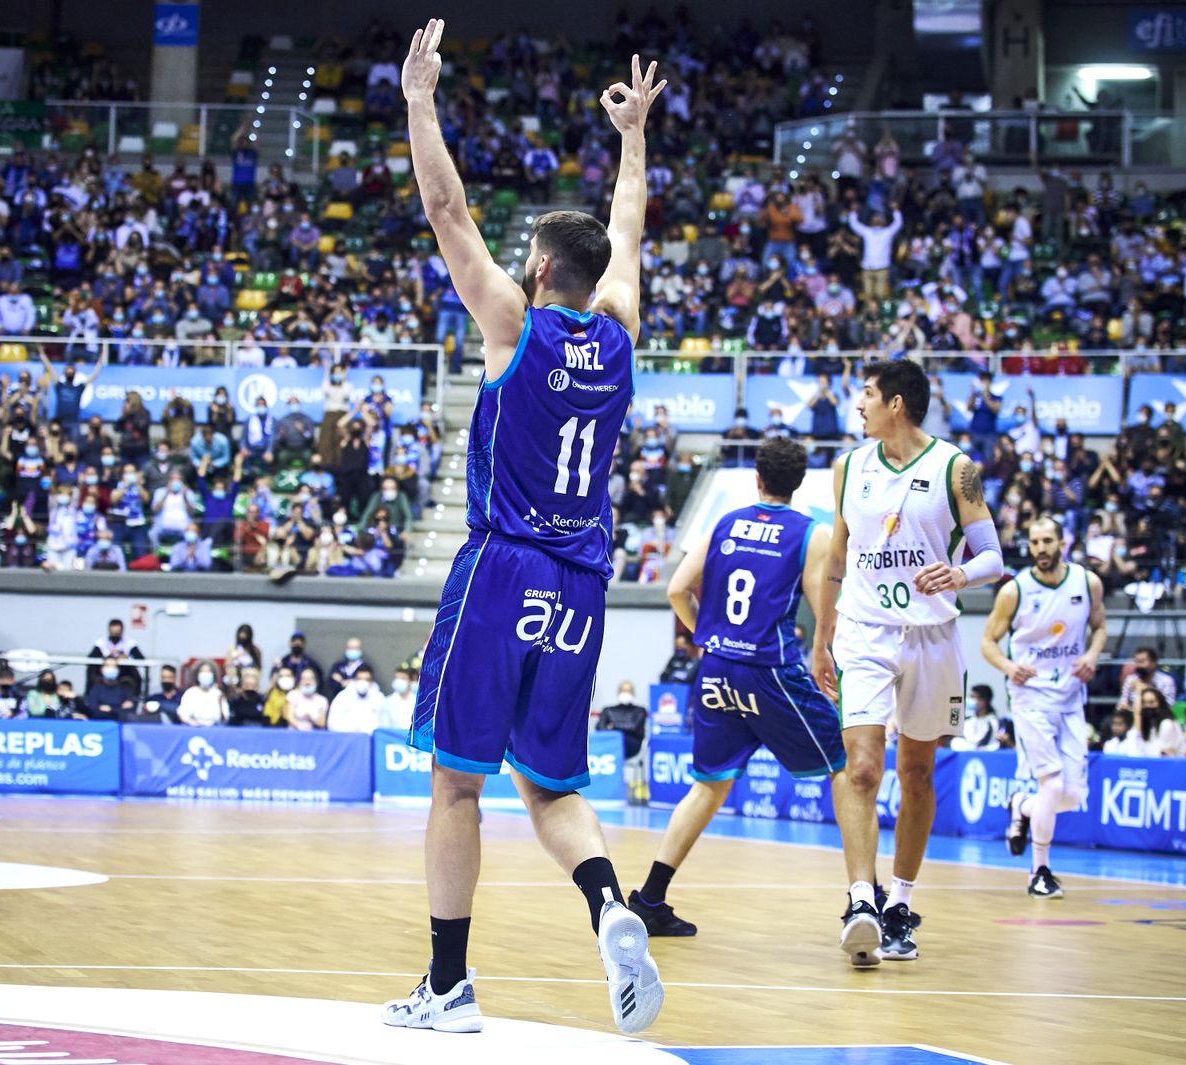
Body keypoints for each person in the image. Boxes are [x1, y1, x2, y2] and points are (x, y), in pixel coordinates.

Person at [383, 24, 663, 1036]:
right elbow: (625, 236)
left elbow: (443, 206)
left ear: (540, 265)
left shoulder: (510, 321)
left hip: (502, 567)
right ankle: (606, 905)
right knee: (550, 789)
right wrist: (633, 138)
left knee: (456, 784)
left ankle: (448, 986)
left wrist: (420, 101)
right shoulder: (619, 328)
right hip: (583, 587)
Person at [812, 359, 1000, 966]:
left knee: (917, 773)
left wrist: (962, 571)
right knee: (862, 769)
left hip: (932, 636)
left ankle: (900, 901)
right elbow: (835, 561)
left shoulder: (957, 468)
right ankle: (860, 899)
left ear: (896, 403)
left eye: (865, 395)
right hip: (865, 631)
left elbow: (993, 554)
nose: (856, 405)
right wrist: (822, 636)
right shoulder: (848, 467)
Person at [628, 438, 843, 938]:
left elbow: (676, 589)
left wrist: (706, 634)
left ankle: (651, 897)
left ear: (757, 478)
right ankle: (869, 899)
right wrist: (823, 652)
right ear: (798, 483)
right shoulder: (811, 533)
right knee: (847, 767)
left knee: (708, 784)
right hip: (768, 670)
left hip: (717, 667)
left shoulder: (723, 523)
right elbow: (822, 609)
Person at [981, 518, 1107, 901]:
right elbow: (988, 642)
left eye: (1047, 540)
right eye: (1034, 542)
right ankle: (1040, 871)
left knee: (1070, 796)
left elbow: (1100, 627)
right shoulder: (1014, 591)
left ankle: (1021, 807)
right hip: (1030, 696)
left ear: (1063, 543)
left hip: (1070, 695)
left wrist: (1092, 654)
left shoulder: (1087, 583)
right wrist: (1008, 667)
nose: (1040, 548)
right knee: (1051, 784)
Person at [328, 667, 386, 732]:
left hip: (372, 738)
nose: (363, 682)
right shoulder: (342, 697)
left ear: (371, 682)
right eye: (359, 679)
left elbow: (384, 723)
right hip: (348, 738)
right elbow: (332, 724)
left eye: (367, 680)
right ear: (354, 680)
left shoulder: (379, 698)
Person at [951, 686, 1002, 752]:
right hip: (967, 748)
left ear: (984, 700)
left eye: (973, 697)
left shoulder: (993, 721)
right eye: (970, 697)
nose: (970, 700)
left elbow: (988, 740)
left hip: (984, 749)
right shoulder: (968, 719)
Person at [177, 661, 229, 726]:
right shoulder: (190, 693)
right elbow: (183, 714)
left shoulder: (218, 694)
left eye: (208, 671)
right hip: (194, 729)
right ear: (197, 674)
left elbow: (225, 716)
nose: (205, 674)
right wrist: (191, 722)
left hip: (214, 730)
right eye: (202, 671)